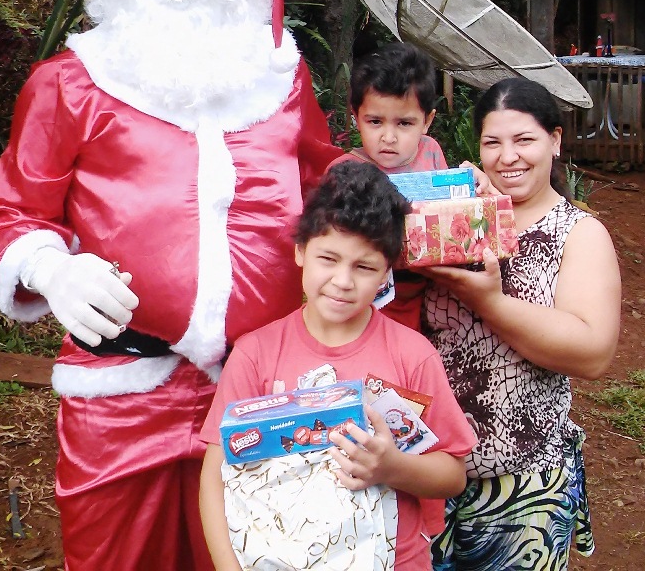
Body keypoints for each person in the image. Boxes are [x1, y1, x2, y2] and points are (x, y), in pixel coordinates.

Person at [0, 0, 340, 571]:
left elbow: (328, 185)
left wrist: (420, 201)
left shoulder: (280, 78)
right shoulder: (70, 82)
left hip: (259, 394)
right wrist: (50, 267)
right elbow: (9, 212)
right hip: (119, 398)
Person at [198, 160, 477, 571]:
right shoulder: (256, 354)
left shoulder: (412, 356)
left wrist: (393, 467)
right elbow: (215, 473)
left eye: (364, 267)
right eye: (328, 258)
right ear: (300, 252)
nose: (343, 281)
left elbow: (452, 474)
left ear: (386, 274)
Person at [421, 77, 622, 570]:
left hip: (523, 481)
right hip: (423, 471)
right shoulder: (453, 219)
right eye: (493, 143)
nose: (508, 157)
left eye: (524, 140)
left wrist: (489, 301)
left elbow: (592, 352)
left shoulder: (578, 233)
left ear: (554, 140)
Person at [329, 41, 448, 331]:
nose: (389, 137)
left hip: (433, 289)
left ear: (427, 121)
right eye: (375, 122)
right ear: (356, 117)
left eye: (404, 123)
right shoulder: (344, 171)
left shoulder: (430, 151)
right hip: (369, 299)